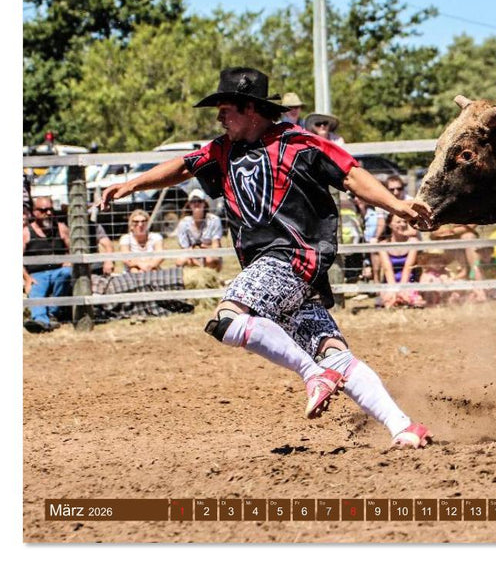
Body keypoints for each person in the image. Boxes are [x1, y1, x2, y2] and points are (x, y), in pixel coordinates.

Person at [98, 67, 432, 449]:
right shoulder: (222, 150)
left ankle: (311, 375)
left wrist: (396, 205)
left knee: (228, 317)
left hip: (291, 256)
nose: (220, 117)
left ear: (251, 109)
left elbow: (352, 175)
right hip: (278, 271)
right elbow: (182, 166)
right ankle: (403, 427)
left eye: (226, 109)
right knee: (332, 351)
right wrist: (132, 183)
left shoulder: (301, 144)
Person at [23, 196, 72, 333]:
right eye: (43, 210)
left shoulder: (61, 228)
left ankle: (51, 313)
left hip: (58, 270)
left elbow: (72, 249)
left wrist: (69, 260)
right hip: (37, 274)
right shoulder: (26, 233)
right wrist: (27, 278)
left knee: (67, 273)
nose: (48, 213)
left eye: (50, 209)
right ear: (34, 212)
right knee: (35, 290)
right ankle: (40, 321)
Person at [378, 213, 426, 309]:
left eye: (404, 221)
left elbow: (408, 267)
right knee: (389, 301)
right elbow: (387, 269)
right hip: (390, 283)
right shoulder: (382, 244)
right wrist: (394, 290)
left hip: (408, 282)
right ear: (389, 224)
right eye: (398, 222)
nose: (402, 224)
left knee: (415, 301)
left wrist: (402, 289)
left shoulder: (413, 242)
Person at [175, 188, 224, 271]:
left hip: (209, 252)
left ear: (204, 203)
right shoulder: (183, 223)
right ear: (189, 205)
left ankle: (211, 278)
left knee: (210, 259)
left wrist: (206, 248)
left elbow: (216, 246)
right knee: (180, 260)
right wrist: (200, 265)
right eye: (193, 201)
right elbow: (185, 249)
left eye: (199, 201)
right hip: (191, 254)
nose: (196, 204)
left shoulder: (214, 220)